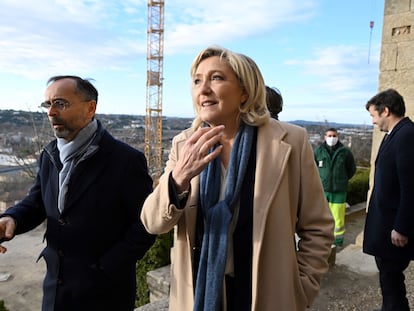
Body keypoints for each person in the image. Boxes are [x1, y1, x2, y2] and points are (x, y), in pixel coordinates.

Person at [140, 46, 334, 311]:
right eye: (197, 80)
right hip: (199, 293)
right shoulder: (184, 144)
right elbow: (152, 223)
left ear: (245, 91)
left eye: (216, 78)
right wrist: (179, 178)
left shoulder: (291, 141)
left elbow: (317, 227)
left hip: (265, 295)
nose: (203, 89)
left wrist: (301, 289)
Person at [0, 75, 155, 311]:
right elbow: (37, 201)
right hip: (55, 292)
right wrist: (12, 218)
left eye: (60, 103)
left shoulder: (126, 160)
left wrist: (105, 268)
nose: (51, 112)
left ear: (90, 108)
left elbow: (144, 226)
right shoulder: (50, 154)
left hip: (105, 294)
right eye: (48, 104)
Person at [363, 88, 414, 311]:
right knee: (388, 278)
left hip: (394, 229)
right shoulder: (394, 134)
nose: (373, 121)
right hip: (385, 225)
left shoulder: (407, 136)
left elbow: (411, 187)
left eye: (374, 115)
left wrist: (402, 227)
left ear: (386, 111)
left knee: (391, 278)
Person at [314, 128, 356, 247]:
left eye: (334, 136)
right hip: (322, 190)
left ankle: (337, 240)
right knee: (321, 216)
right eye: (329, 135)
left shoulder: (345, 152)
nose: (332, 138)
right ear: (325, 137)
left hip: (339, 191)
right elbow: (312, 168)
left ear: (338, 137)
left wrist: (341, 180)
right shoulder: (318, 151)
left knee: (338, 217)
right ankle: (321, 237)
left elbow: (351, 169)